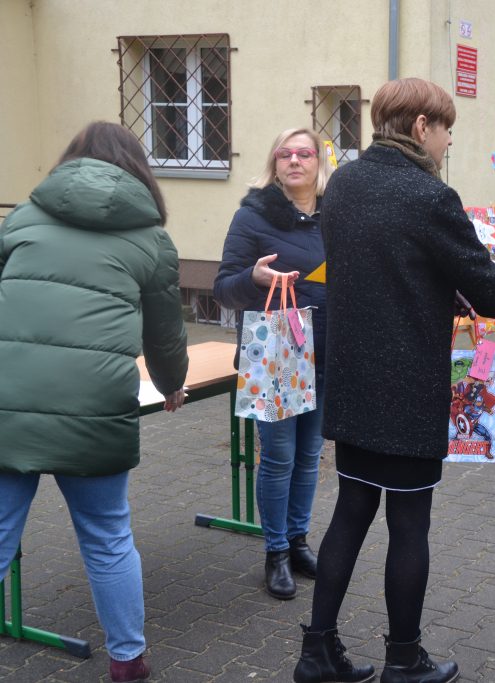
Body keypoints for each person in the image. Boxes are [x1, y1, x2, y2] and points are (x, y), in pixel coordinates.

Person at [293, 78, 495, 683]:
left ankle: (316, 652)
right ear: (422, 127)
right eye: (446, 128)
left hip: (351, 384)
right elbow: (491, 292)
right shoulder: (430, 196)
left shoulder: (342, 182)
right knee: (408, 524)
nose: (448, 141)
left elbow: (384, 267)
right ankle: (404, 658)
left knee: (350, 512)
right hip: (405, 389)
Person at [0, 121, 188, 682]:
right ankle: (128, 660)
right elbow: (165, 332)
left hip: (9, 399)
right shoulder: (151, 238)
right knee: (108, 537)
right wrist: (171, 380)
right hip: (95, 404)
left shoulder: (22, 218)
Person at [213, 128, 332, 600]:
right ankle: (276, 551)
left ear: (319, 161)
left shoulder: (336, 215)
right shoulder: (253, 215)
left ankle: (300, 541)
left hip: (326, 352)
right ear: (274, 162)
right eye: (285, 153)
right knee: (279, 458)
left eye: (305, 153)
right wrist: (254, 278)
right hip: (276, 358)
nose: (295, 161)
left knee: (310, 457)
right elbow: (224, 287)